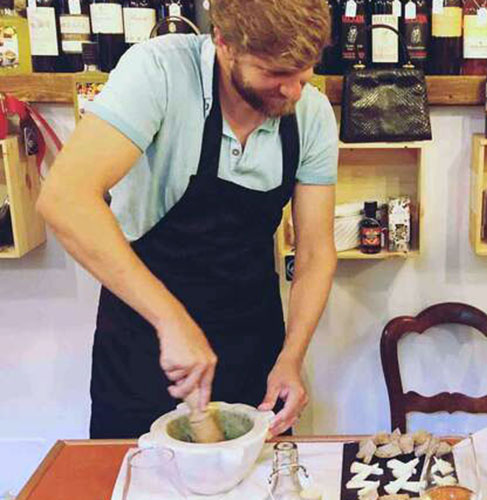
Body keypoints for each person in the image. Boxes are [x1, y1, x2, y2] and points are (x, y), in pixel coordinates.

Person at [37, 0, 338, 439]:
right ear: (224, 42)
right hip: (145, 343)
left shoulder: (310, 114)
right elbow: (65, 198)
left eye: (303, 73)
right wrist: (170, 321)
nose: (292, 91)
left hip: (251, 343)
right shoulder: (159, 72)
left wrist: (291, 357)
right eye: (275, 73)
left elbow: (315, 251)